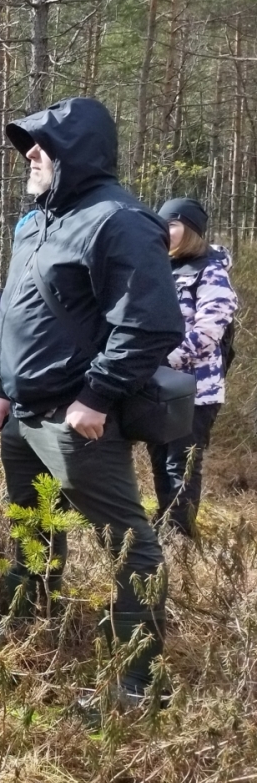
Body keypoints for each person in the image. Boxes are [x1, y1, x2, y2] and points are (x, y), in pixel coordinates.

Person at [0, 97, 184, 708]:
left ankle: (140, 684)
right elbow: (25, 316)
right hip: (25, 412)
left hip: (76, 418)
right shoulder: (40, 219)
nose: (31, 155)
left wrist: (95, 397)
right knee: (32, 523)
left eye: (42, 145)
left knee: (127, 542)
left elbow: (149, 324)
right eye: (28, 146)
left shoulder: (118, 220)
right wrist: (3, 392)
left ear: (79, 151)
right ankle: (22, 617)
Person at [148, 197, 238, 538]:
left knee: (181, 463)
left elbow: (208, 332)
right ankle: (163, 525)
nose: (164, 231)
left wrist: (162, 360)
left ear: (191, 231)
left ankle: (179, 535)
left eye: (171, 224)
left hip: (196, 390)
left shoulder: (211, 270)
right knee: (158, 458)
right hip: (157, 387)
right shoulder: (159, 267)